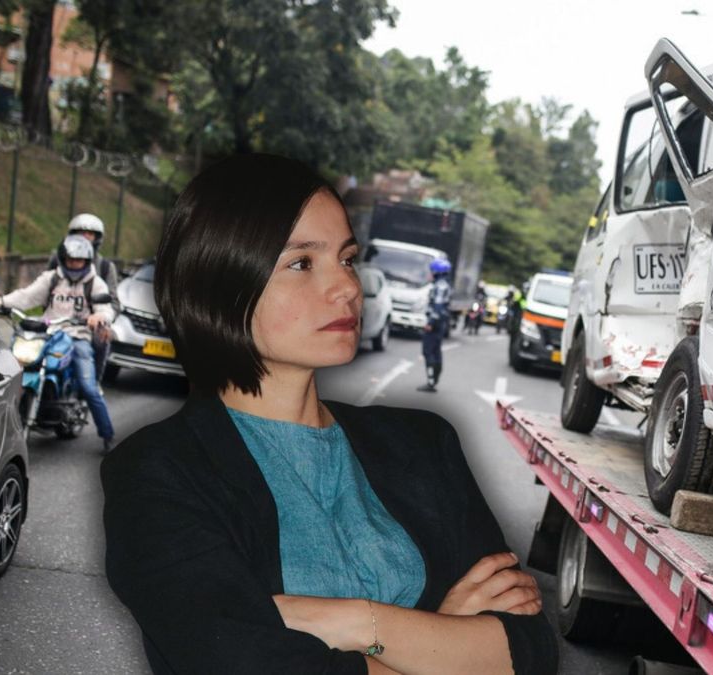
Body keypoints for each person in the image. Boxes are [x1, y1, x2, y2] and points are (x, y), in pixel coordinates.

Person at [100, 154, 557, 675]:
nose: (347, 287)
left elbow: (531, 651)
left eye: (347, 258)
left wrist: (360, 625)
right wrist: (447, 635)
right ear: (221, 282)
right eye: (301, 263)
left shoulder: (424, 444)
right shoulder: (158, 472)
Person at [0, 234, 116, 451]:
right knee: (16, 364)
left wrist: (99, 317)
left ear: (87, 261)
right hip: (50, 333)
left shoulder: (96, 283)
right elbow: (26, 296)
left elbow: (107, 308)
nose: (74, 264)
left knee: (89, 386)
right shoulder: (52, 278)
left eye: (79, 260)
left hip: (78, 336)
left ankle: (108, 436)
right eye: (70, 260)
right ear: (63, 259)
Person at [47, 213, 120, 380]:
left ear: (97, 238)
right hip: (57, 317)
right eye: (80, 232)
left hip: (89, 323)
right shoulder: (57, 260)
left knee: (102, 339)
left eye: (90, 234)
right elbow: (42, 289)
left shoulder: (106, 267)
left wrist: (102, 319)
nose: (85, 237)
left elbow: (114, 302)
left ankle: (94, 382)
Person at [417, 257, 452, 392]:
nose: (430, 273)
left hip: (435, 323)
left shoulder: (440, 286)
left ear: (437, 272)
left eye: (432, 271)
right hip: (441, 323)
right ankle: (434, 379)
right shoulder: (445, 284)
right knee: (436, 351)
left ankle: (431, 382)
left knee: (428, 351)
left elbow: (437, 306)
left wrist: (430, 323)